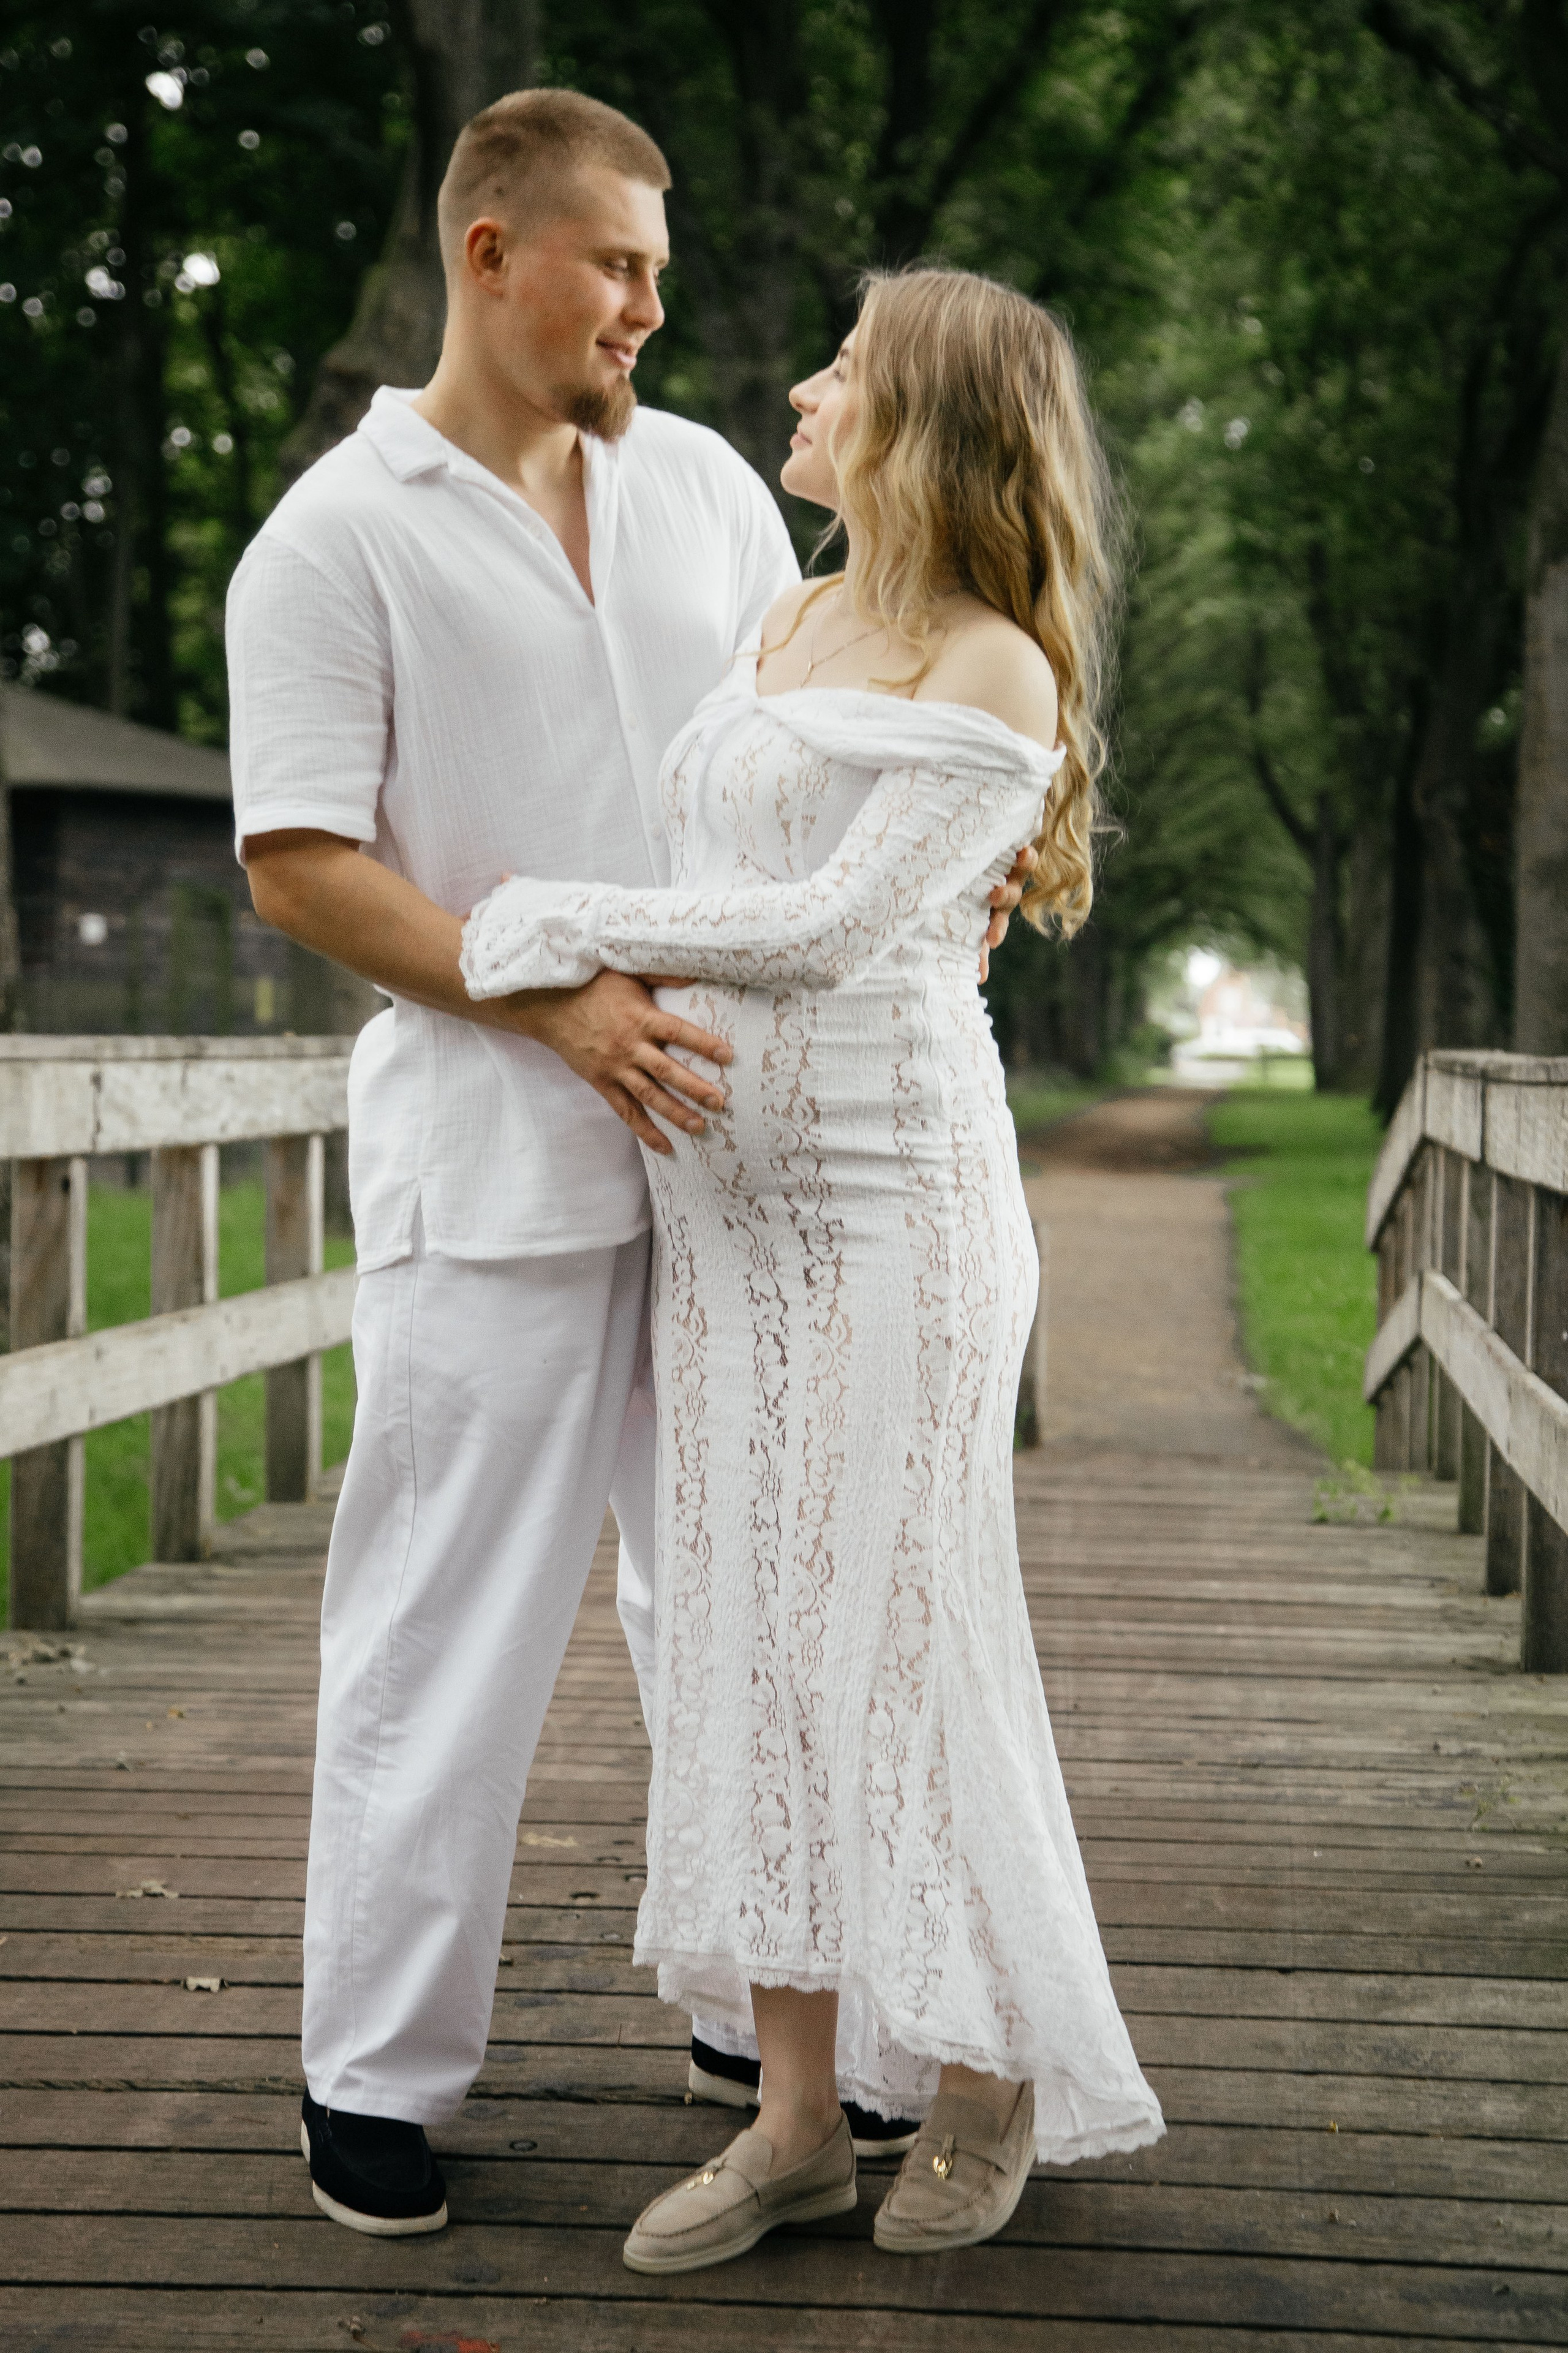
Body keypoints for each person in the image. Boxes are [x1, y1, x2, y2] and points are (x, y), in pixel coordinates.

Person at [228, 88, 1026, 2236]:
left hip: (754, 1181)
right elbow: (302, 867)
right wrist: (554, 1002)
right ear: (491, 255)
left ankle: (783, 2043)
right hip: (490, 1172)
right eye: (618, 265)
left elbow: (830, 733)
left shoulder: (701, 496)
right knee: (444, 1623)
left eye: (662, 268)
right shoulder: (335, 533)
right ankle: (374, 2075)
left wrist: (974, 843)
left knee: (754, 1616)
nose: (657, 308)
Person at [460, 265, 1166, 2272]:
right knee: (747, 1642)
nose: (802, 384)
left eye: (845, 368)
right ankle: (788, 2121)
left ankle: (988, 2067)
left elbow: (827, 927)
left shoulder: (995, 670)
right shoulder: (784, 616)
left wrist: (536, 924)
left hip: (898, 1214)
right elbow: (721, 877)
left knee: (902, 1631)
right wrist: (601, 935)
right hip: (733, 1223)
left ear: (926, 419)